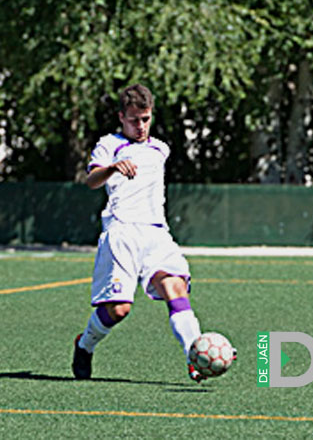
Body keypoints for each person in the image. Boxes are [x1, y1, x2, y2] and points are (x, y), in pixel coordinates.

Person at [72, 83, 213, 382]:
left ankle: (195, 356)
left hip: (157, 234)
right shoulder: (109, 144)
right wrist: (112, 168)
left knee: (176, 289)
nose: (141, 126)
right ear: (122, 117)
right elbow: (92, 180)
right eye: (134, 119)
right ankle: (84, 345)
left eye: (146, 119)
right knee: (119, 309)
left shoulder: (161, 148)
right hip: (122, 233)